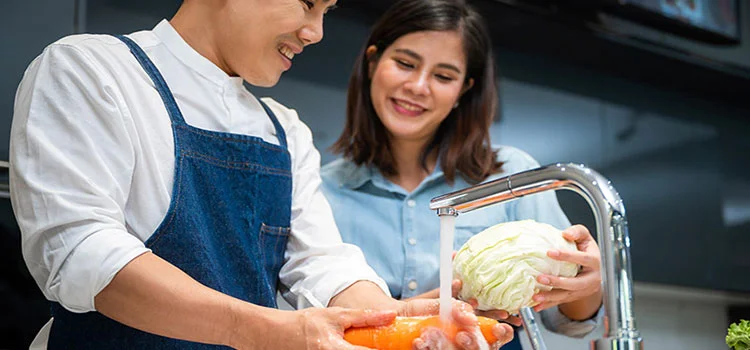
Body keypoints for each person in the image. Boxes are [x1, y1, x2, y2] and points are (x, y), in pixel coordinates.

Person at [9, 0, 515, 348]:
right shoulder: (91, 71)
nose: (316, 32)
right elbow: (79, 250)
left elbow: (321, 264)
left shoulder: (284, 130)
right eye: (307, 3)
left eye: (326, 12)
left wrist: (391, 318)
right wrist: (260, 331)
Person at [320, 0, 604, 348]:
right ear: (373, 61)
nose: (419, 86)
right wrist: (420, 315)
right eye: (405, 63)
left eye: (443, 76)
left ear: (463, 90)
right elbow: (316, 325)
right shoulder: (321, 192)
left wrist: (586, 279)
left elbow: (569, 321)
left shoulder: (512, 175)